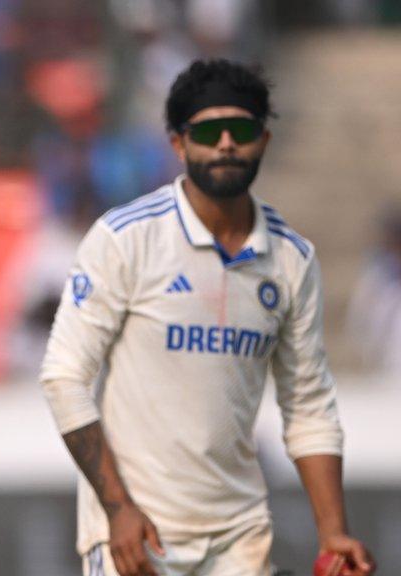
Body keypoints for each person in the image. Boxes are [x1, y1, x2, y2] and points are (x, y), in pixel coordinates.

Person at [39, 59, 375, 576]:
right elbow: (64, 377)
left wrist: (333, 532)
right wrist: (118, 509)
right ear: (178, 144)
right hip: (138, 535)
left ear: (262, 140)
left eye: (239, 130)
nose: (224, 144)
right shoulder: (126, 238)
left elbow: (308, 407)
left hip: (239, 536)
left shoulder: (291, 258)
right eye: (207, 132)